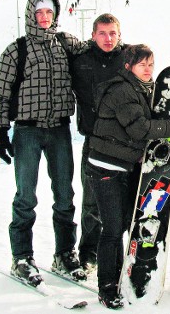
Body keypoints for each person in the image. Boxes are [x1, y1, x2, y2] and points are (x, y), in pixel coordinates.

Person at [0, 0, 88, 287]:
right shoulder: (16, 50)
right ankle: (22, 257)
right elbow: (1, 92)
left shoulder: (65, 44)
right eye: (39, 13)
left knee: (64, 194)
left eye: (49, 12)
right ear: (31, 15)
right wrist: (0, 131)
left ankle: (64, 253)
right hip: (28, 131)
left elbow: (95, 50)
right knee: (25, 196)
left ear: (55, 14)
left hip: (59, 129)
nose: (44, 17)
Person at [86, 44, 170, 309]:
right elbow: (139, 129)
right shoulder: (122, 90)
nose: (148, 70)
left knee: (129, 224)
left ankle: (122, 274)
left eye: (151, 64)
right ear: (128, 66)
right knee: (113, 227)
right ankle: (106, 285)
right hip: (106, 167)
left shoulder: (141, 89)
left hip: (126, 166)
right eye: (142, 64)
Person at [70, 13, 128, 272]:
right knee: (91, 200)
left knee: (123, 200)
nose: (108, 38)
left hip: (124, 142)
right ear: (93, 35)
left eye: (112, 33)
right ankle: (89, 252)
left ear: (119, 34)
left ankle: (119, 252)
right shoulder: (81, 60)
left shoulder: (128, 57)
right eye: (102, 33)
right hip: (94, 140)